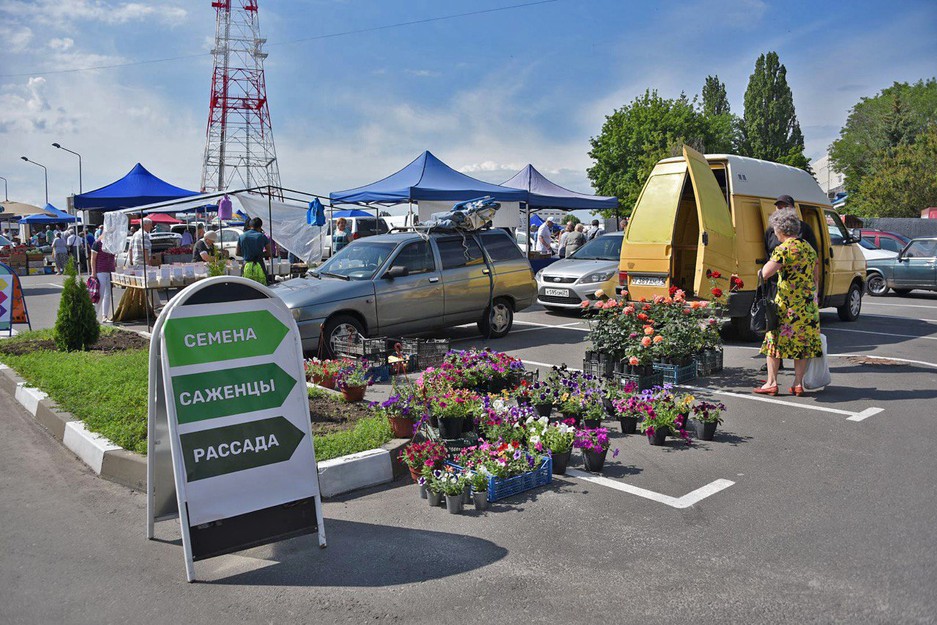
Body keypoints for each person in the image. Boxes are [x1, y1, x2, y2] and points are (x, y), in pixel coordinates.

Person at [753, 208, 822, 397]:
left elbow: (766, 274)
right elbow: (816, 278)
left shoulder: (783, 249)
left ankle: (772, 383)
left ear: (779, 230)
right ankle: (798, 384)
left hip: (787, 307)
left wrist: (759, 273)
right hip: (808, 306)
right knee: (803, 344)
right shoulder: (808, 248)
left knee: (773, 343)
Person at [90, 229, 116, 322]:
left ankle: (105, 316)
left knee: (108, 294)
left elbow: (113, 258)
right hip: (100, 270)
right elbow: (93, 259)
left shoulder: (111, 245)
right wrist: (93, 272)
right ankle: (94, 316)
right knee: (99, 294)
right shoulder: (97, 244)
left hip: (109, 271)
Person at [237, 217, 269, 285]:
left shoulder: (242, 236)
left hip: (246, 264)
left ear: (250, 226)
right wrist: (259, 255)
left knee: (247, 285)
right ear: (260, 226)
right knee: (262, 285)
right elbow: (269, 252)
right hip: (259, 264)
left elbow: (237, 253)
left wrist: (247, 254)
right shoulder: (262, 236)